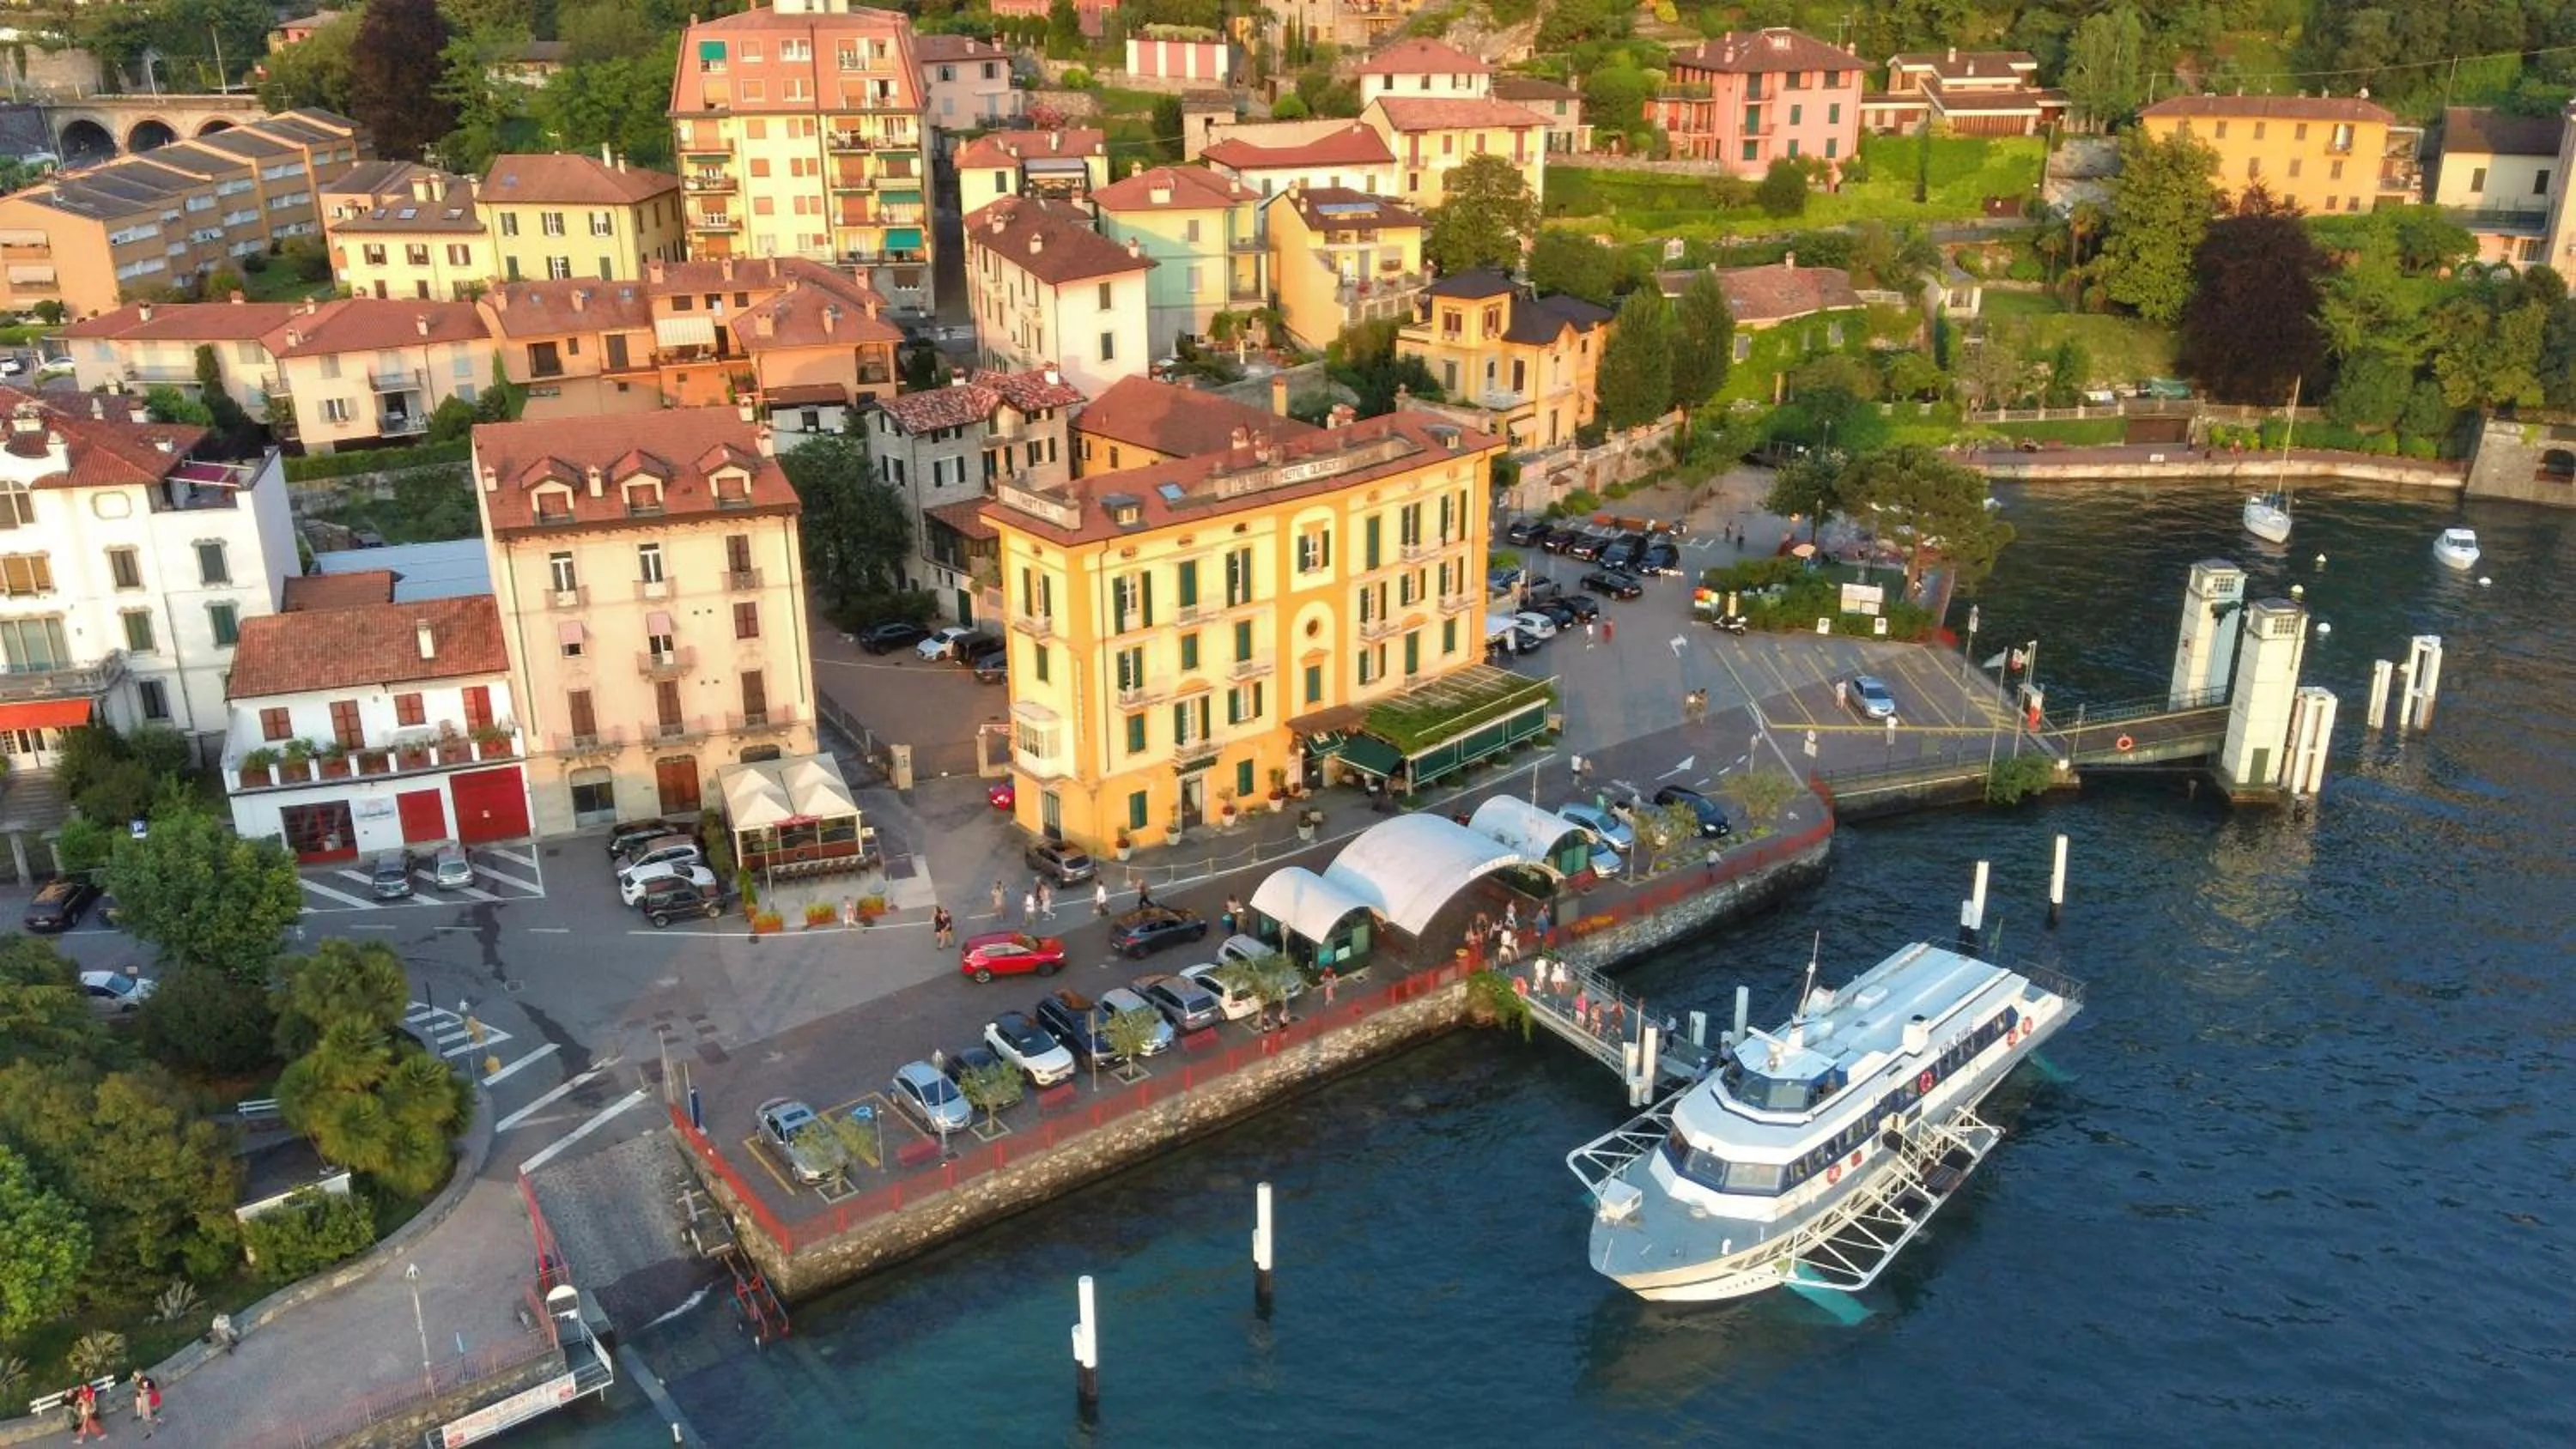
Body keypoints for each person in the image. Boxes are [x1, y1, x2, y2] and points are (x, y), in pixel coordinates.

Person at [133, 1373, 160, 1439]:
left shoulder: (145, 1382)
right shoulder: (139, 1383)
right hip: (145, 1401)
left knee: (146, 1418)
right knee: (147, 1417)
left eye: (136, 1376)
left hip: (147, 1400)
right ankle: (158, 1421)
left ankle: (151, 1432)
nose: (135, 1377)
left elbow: (147, 1391)